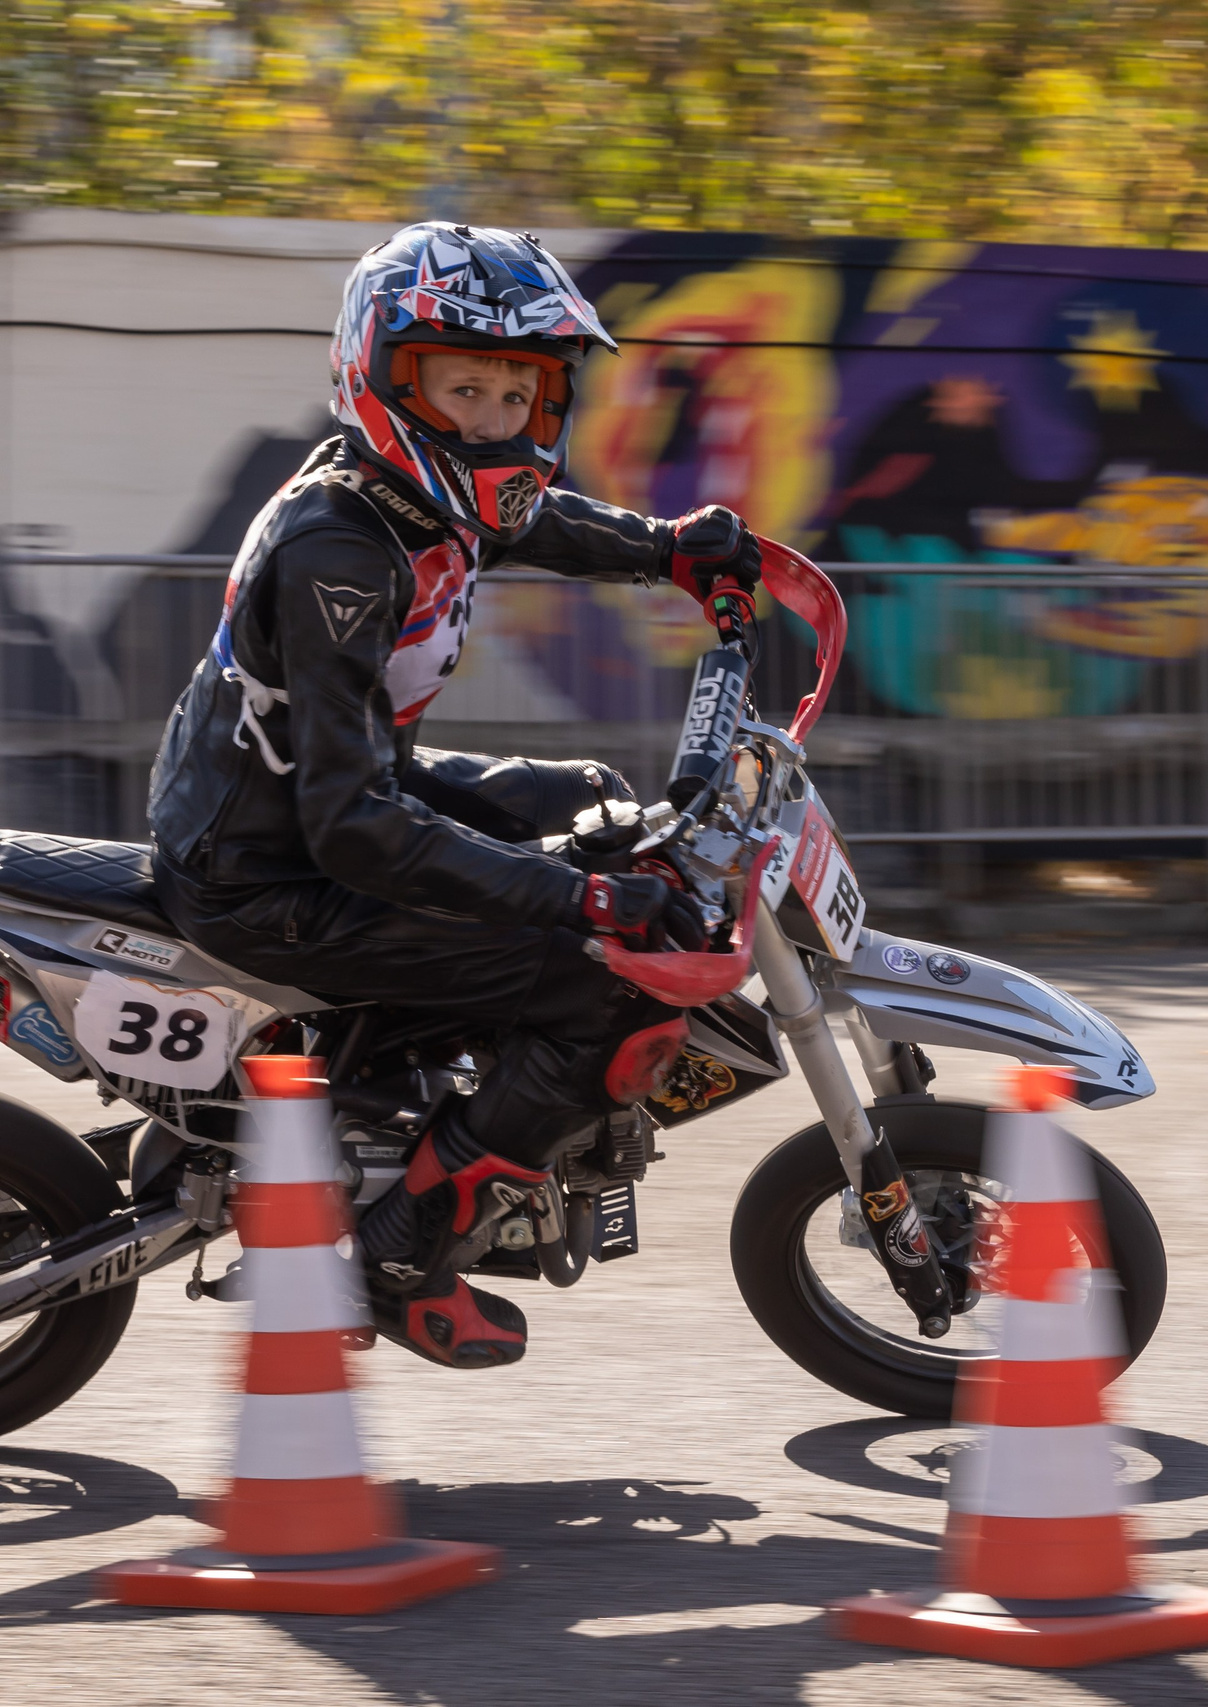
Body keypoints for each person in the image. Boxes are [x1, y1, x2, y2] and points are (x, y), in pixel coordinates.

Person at [147, 222, 760, 1369]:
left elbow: (535, 519)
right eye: (461, 386)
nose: (489, 418)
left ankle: (422, 1091)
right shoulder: (341, 551)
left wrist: (669, 549)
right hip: (274, 868)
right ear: (386, 380)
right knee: (609, 987)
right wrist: (575, 909)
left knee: (597, 807)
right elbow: (355, 828)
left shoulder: (415, 490)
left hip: (307, 810)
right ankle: (399, 1246)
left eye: (515, 392)